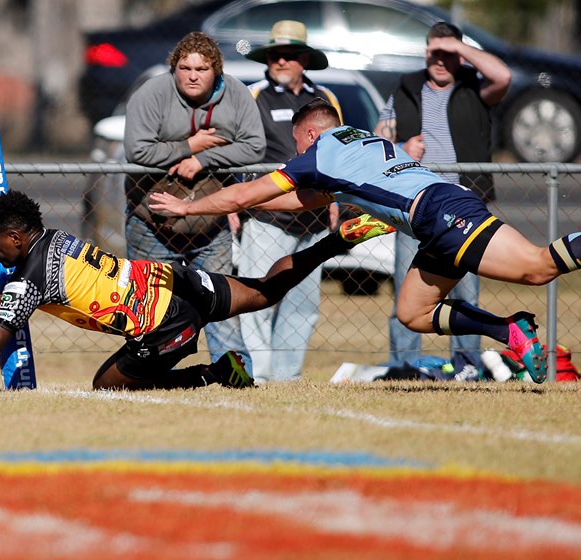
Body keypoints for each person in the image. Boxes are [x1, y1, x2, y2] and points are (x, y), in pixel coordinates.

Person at [149, 98, 581, 384]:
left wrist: (188, 207)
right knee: (412, 312)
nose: (294, 155)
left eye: (297, 145)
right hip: (431, 219)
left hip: (440, 211)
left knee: (536, 268)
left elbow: (247, 193)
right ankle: (509, 329)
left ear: (310, 135)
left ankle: (513, 329)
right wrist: (252, 205)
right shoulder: (359, 142)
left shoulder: (318, 154)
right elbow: (305, 200)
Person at [0, 190, 393, 393]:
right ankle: (336, 241)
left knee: (106, 386)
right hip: (171, 278)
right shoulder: (50, 244)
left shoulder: (33, 274)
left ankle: (214, 374)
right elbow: (0, 304)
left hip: (165, 322)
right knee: (265, 292)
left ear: (17, 237)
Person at [123, 31, 266, 374]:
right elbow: (137, 150)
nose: (192, 75)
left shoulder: (236, 95)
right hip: (152, 224)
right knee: (149, 309)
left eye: (201, 68)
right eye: (184, 67)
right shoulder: (152, 94)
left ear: (216, 70)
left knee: (221, 306)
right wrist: (189, 146)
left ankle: (235, 373)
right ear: (174, 68)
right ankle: (146, 375)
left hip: (210, 225)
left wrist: (204, 160)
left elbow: (255, 147)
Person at [374, 21, 512, 366]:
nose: (441, 60)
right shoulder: (404, 89)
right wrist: (401, 147)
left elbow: (504, 76)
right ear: (425, 52)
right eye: (435, 52)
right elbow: (377, 144)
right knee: (406, 290)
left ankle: (466, 365)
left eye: (448, 54)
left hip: (465, 206)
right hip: (415, 205)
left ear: (460, 56)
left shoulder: (475, 89)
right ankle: (403, 365)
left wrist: (457, 46)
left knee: (466, 292)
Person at [239, 20, 342, 383]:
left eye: (288, 55)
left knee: (303, 304)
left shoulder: (326, 99)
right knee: (256, 298)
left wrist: (334, 203)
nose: (279, 61)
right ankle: (259, 376)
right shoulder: (252, 96)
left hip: (312, 221)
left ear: (304, 59)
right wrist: (236, 206)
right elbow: (235, 153)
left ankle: (287, 377)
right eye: (273, 55)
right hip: (267, 220)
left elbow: (338, 153)